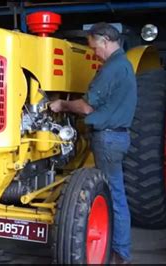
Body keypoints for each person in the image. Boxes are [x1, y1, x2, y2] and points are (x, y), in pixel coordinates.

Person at [49, 22, 137, 264]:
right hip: (118, 136)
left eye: (95, 48)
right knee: (116, 192)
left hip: (108, 138)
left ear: (105, 41)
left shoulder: (112, 68)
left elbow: (87, 107)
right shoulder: (124, 65)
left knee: (112, 194)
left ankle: (120, 252)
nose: (95, 54)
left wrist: (63, 105)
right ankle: (121, 249)